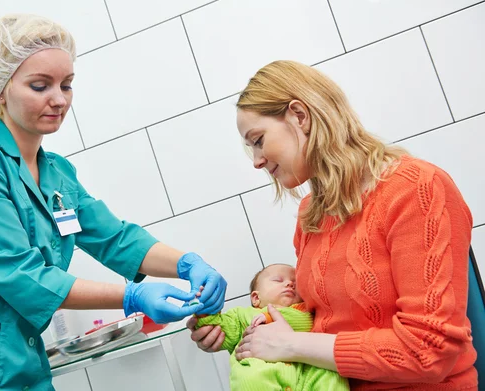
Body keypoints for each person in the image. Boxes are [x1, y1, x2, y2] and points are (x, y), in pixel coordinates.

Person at [0, 14, 227, 391]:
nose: (59, 99)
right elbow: (21, 275)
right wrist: (132, 296)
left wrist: (187, 263)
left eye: (67, 84)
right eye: (39, 85)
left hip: (15, 360)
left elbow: (116, 239)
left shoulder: (57, 174)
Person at [187, 60, 477, 390]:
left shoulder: (417, 189)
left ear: (300, 116)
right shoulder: (312, 213)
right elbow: (318, 324)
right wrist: (236, 330)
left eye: (258, 140)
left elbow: (429, 351)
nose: (256, 161)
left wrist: (291, 345)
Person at [195, 263, 349, 391]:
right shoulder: (241, 316)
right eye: (278, 280)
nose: (289, 283)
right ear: (256, 298)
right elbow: (224, 332)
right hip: (262, 372)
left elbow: (303, 323)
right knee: (249, 377)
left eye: (295, 283)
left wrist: (270, 317)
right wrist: (206, 312)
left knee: (332, 375)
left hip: (307, 372)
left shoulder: (306, 313)